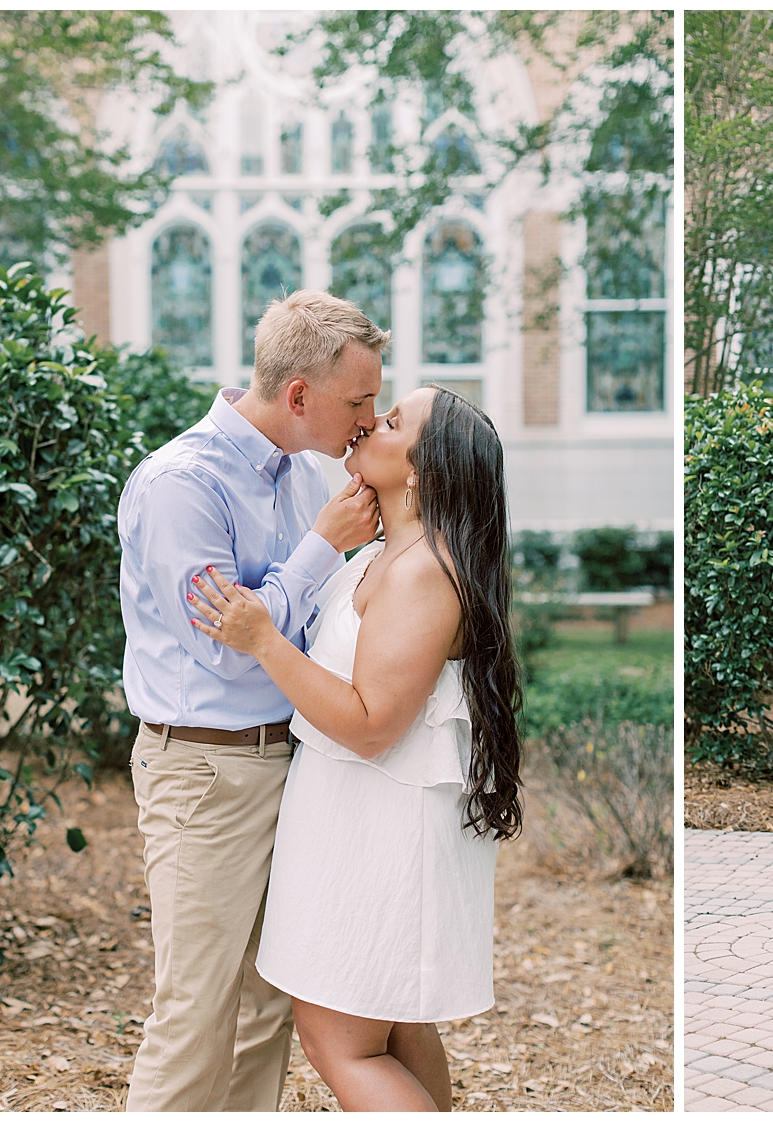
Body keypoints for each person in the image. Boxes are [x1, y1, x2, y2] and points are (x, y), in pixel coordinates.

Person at [187, 384, 523, 1111]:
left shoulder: (423, 572)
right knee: (395, 1029)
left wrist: (263, 643)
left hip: (384, 828)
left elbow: (373, 723)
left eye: (394, 421)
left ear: (422, 473)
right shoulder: (393, 551)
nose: (371, 421)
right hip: (360, 820)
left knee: (340, 1041)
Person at [118, 290, 386, 1110]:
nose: (369, 420)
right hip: (205, 772)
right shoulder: (179, 485)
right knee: (195, 1012)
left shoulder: (306, 476)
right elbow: (221, 641)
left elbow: (296, 623)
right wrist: (320, 548)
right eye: (359, 401)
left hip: (292, 764)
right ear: (299, 395)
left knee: (268, 1007)